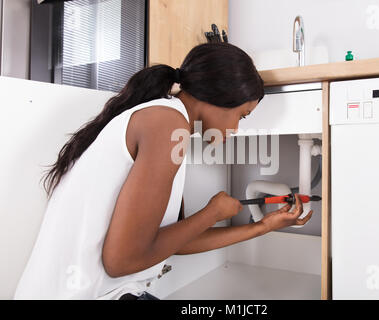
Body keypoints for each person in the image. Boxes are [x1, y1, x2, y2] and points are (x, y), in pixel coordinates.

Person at [14, 42, 313, 300]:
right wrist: (211, 213)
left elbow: (169, 244)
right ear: (220, 96)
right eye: (241, 116)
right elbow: (121, 261)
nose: (235, 129)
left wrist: (262, 227)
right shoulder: (167, 124)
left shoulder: (167, 120)